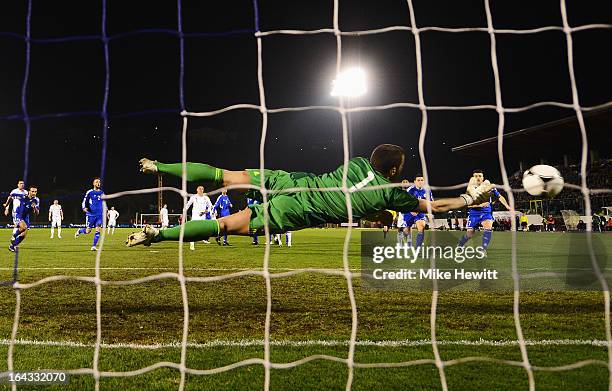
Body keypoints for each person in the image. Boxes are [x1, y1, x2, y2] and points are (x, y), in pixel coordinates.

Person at [126, 144, 494, 247]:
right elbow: (435, 206)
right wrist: (469, 198)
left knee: (225, 174)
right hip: (295, 213)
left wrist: (379, 214)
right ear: (396, 172)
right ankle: (158, 235)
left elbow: (367, 201)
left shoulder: (356, 163)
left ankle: (160, 164)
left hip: (293, 182)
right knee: (220, 225)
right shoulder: (391, 194)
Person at [457, 169, 511, 252]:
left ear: (483, 177)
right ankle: (460, 245)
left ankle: (483, 249)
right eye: (476, 176)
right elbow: (468, 205)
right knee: (470, 234)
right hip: (474, 214)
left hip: (486, 213)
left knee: (488, 228)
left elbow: (500, 197)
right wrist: (479, 205)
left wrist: (507, 206)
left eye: (480, 176)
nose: (478, 178)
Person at [402, 174, 433, 248]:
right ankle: (403, 236)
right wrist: (411, 210)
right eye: (418, 180)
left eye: (422, 180)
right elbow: (404, 202)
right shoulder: (410, 190)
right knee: (407, 230)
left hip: (420, 212)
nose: (420, 182)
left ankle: (417, 249)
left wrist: (429, 212)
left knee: (421, 227)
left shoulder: (427, 191)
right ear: (415, 182)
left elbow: (431, 202)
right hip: (409, 212)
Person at [75, 177, 104, 251]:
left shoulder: (102, 192)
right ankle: (80, 231)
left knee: (98, 229)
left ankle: (94, 246)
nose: (98, 183)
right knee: (88, 231)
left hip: (99, 215)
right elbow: (84, 201)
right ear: (93, 183)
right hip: (91, 214)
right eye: (97, 182)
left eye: (99, 182)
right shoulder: (90, 192)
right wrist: (84, 208)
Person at [9, 186, 39, 252]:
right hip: (18, 214)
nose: (34, 193)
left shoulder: (36, 200)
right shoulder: (23, 196)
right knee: (23, 227)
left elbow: (37, 213)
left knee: (23, 235)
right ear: (29, 191)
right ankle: (14, 236)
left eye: (35, 192)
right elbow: (11, 195)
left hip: (26, 217)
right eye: (32, 191)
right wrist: (6, 205)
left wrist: (35, 208)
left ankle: (12, 246)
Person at [185, 185, 213, 250]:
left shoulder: (206, 198)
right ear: (197, 190)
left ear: (203, 190)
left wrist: (206, 211)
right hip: (195, 215)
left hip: (203, 216)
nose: (201, 190)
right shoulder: (193, 197)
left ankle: (203, 239)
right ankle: (192, 244)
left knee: (202, 230)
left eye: (202, 189)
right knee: (193, 229)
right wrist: (184, 210)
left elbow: (210, 206)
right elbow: (188, 204)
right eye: (199, 189)